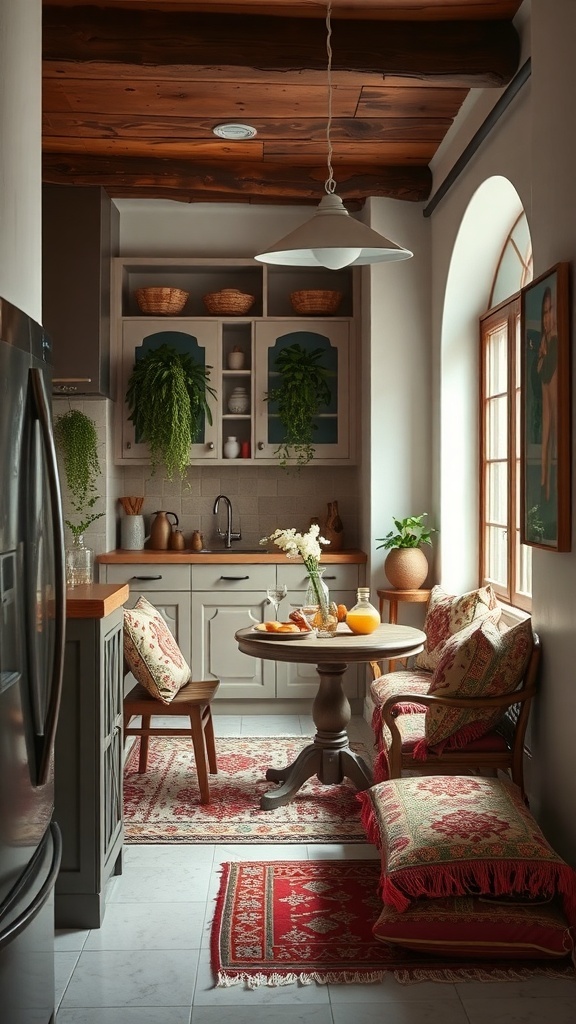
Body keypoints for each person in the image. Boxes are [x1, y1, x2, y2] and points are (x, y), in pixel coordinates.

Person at [536, 286, 558, 502]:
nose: (547, 317)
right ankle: (545, 488)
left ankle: (547, 489)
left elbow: (545, 371)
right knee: (545, 443)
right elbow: (541, 373)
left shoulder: (555, 340)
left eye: (550, 311)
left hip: (556, 411)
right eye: (544, 313)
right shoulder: (546, 342)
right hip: (548, 410)